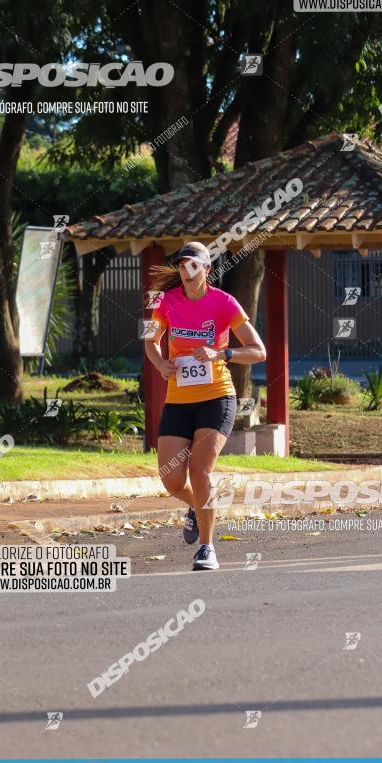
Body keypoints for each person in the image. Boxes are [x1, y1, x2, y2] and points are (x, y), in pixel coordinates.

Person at [144, 241, 266, 571]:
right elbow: (150, 340)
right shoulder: (165, 302)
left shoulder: (224, 303)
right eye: (182, 265)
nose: (186, 271)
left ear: (207, 269)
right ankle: (199, 506)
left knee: (200, 470)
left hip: (216, 398)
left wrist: (222, 354)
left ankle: (206, 547)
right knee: (171, 479)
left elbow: (258, 351)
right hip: (179, 401)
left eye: (193, 265)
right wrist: (160, 364)